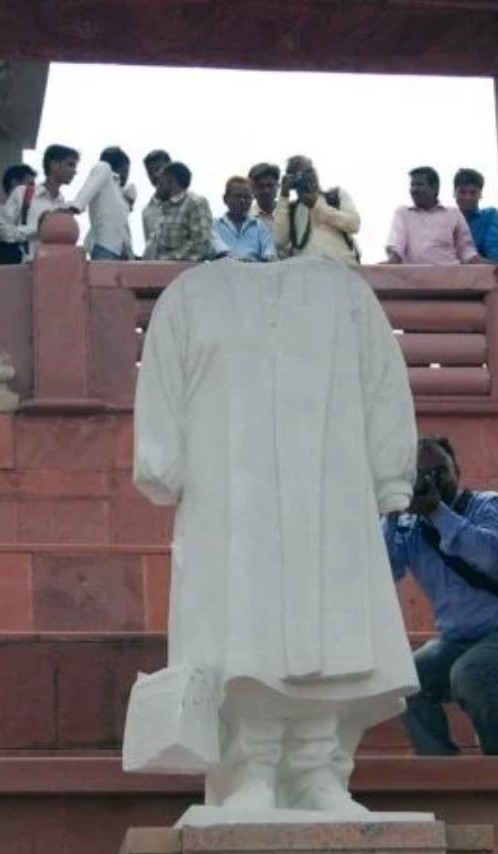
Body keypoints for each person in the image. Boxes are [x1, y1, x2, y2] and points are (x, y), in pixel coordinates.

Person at [123, 255, 419, 815]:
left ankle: (318, 770)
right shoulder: (190, 296)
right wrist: (161, 460)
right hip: (230, 498)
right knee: (243, 629)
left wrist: (390, 475)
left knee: (331, 627)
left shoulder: (346, 295)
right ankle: (250, 769)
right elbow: (161, 389)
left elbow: (384, 385)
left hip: (331, 489)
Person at [383, 435, 498, 756]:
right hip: (458, 641)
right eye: (421, 475)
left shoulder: (488, 505)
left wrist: (437, 511)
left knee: (471, 673)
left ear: (458, 471)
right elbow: (384, 572)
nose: (431, 481)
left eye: (439, 471)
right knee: (404, 681)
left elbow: (487, 556)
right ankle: (439, 765)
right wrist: (391, 513)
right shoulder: (410, 527)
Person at [386, 166, 484, 265]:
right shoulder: (403, 213)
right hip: (414, 274)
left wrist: (490, 266)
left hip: (449, 273)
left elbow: (466, 251)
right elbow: (396, 245)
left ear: (434, 188)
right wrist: (390, 263)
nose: (414, 190)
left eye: (419, 184)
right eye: (412, 185)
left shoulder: (453, 214)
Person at [272, 156, 360, 262]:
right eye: (299, 175)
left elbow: (354, 225)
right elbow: (279, 240)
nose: (308, 177)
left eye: (309, 171)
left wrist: (316, 205)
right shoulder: (291, 209)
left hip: (341, 266)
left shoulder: (335, 196)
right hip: (308, 270)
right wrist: (283, 197)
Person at [0, 145, 79, 262]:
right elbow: (3, 230)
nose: (74, 171)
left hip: (52, 266)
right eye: (70, 165)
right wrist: (39, 228)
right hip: (23, 266)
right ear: (54, 165)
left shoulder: (62, 205)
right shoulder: (23, 193)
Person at [69, 146, 133, 260]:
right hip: (106, 247)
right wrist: (76, 206)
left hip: (122, 251)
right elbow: (89, 188)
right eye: (127, 170)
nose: (127, 176)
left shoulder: (117, 191)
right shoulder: (104, 168)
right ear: (123, 167)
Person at [147, 161, 213, 262]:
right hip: (162, 268)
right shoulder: (165, 207)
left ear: (171, 181)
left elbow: (200, 243)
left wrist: (170, 261)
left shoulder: (195, 203)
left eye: (160, 182)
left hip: (188, 270)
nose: (157, 187)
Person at [214, 176, 276, 262]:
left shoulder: (260, 228)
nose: (242, 201)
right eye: (237, 196)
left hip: (254, 269)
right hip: (222, 269)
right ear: (225, 199)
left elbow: (269, 256)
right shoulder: (214, 227)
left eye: (246, 197)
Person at [454, 168, 498, 263]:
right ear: (454, 193)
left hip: (487, 270)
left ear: (480, 194)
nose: (467, 197)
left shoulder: (490, 215)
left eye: (472, 192)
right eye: (462, 192)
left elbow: (494, 252)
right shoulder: (448, 219)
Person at [0, 164, 37, 265]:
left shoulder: (31, 215)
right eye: (30, 184)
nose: (33, 190)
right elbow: (7, 234)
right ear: (15, 184)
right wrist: (37, 229)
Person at [142, 149, 172, 249]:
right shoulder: (147, 212)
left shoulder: (191, 203)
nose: (155, 175)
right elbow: (150, 248)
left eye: (158, 169)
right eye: (150, 172)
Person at [248, 162, 280, 231]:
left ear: (278, 186)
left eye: (270, 185)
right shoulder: (246, 220)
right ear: (251, 189)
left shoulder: (290, 213)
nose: (266, 191)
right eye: (260, 186)